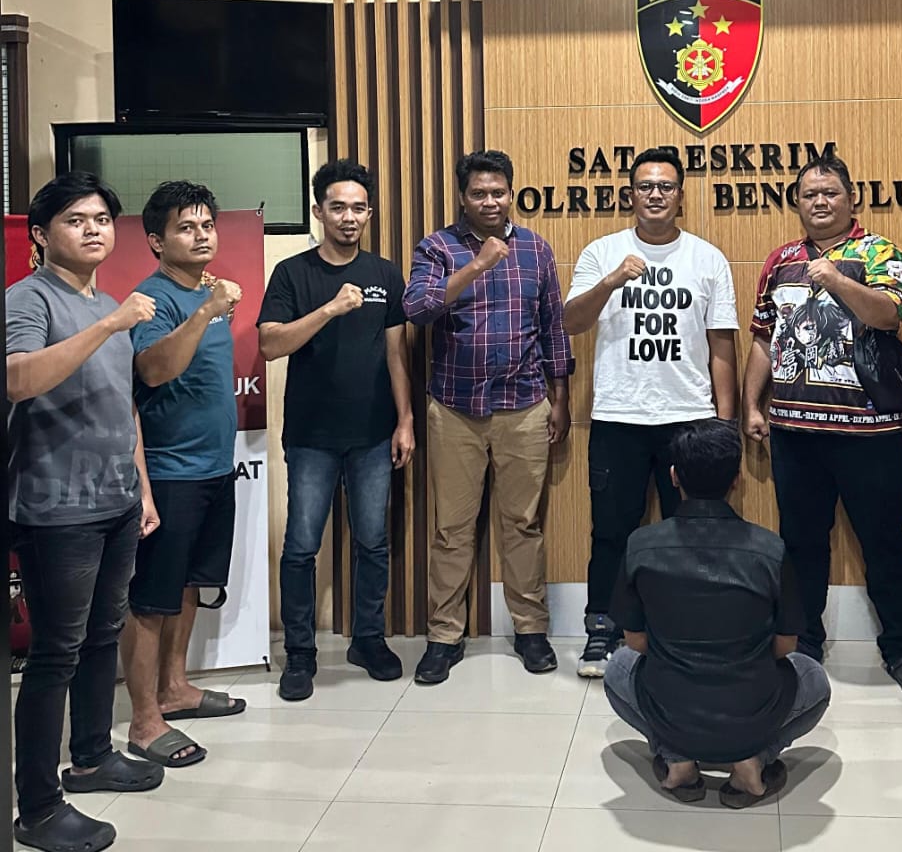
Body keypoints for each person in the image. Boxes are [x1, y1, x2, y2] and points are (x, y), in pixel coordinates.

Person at [741, 154, 902, 700]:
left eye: (830, 192)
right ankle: (803, 644)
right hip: (793, 431)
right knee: (800, 544)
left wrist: (834, 279)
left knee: (884, 543)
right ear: (797, 203)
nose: (820, 202)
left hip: (869, 434)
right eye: (809, 194)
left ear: (853, 199)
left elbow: (889, 315)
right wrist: (751, 405)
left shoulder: (879, 253)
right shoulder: (780, 260)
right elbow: (763, 337)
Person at [7, 172, 165, 852]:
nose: (94, 229)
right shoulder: (29, 298)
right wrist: (110, 324)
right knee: (56, 654)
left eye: (102, 218)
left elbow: (122, 405)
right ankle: (38, 807)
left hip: (116, 500)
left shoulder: (107, 303)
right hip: (55, 508)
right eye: (76, 220)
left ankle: (94, 757)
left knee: (103, 636)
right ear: (42, 235)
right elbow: (18, 379)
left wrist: (142, 488)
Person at [563, 147, 739, 679]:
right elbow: (571, 322)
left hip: (690, 418)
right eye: (645, 186)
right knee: (611, 530)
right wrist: (611, 281)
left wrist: (725, 424)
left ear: (681, 195)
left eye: (665, 186)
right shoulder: (602, 252)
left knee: (691, 533)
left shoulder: (708, 258)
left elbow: (722, 346)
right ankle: (602, 629)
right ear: (631, 195)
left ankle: (683, 631)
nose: (655, 194)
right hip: (619, 416)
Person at [404, 149, 573, 683]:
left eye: (498, 192)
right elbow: (418, 309)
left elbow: (553, 327)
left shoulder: (536, 249)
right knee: (452, 529)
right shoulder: (437, 248)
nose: (490, 201)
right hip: (456, 409)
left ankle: (531, 629)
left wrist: (561, 397)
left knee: (522, 524)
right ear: (463, 197)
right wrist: (477, 265)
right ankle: (443, 636)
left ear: (511, 193)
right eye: (479, 193)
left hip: (525, 405)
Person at [604, 418, 831, 808]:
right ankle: (753, 761)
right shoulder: (770, 549)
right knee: (814, 678)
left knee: (617, 669)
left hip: (670, 708)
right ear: (737, 481)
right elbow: (786, 645)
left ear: (673, 477)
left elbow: (635, 641)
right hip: (753, 710)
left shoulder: (641, 545)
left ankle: (677, 760)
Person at [258, 159, 415, 702]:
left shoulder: (385, 274)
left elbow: (396, 353)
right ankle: (300, 652)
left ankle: (367, 639)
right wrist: (329, 309)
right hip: (311, 435)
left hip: (373, 432)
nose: (349, 217)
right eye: (338, 207)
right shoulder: (292, 274)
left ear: (369, 213)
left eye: (359, 208)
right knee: (301, 546)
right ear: (318, 211)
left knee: (373, 541)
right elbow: (270, 344)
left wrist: (405, 420)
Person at [121, 181, 245, 770]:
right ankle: (145, 721)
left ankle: (175, 688)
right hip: (170, 472)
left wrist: (210, 303)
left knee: (191, 584)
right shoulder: (153, 298)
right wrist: (207, 311)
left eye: (207, 225)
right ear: (156, 241)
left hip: (215, 468)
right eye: (186, 227)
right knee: (151, 600)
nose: (201, 236)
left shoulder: (207, 292)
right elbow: (153, 369)